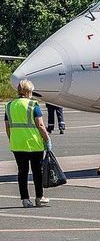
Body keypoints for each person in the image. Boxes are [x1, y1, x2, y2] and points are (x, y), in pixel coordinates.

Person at [5, 80, 51, 208]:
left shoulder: (9, 105)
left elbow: (8, 126)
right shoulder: (33, 105)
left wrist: (12, 139)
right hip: (34, 143)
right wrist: (47, 139)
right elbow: (40, 125)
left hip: (17, 144)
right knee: (37, 171)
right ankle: (39, 197)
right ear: (29, 91)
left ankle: (25, 199)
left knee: (22, 172)